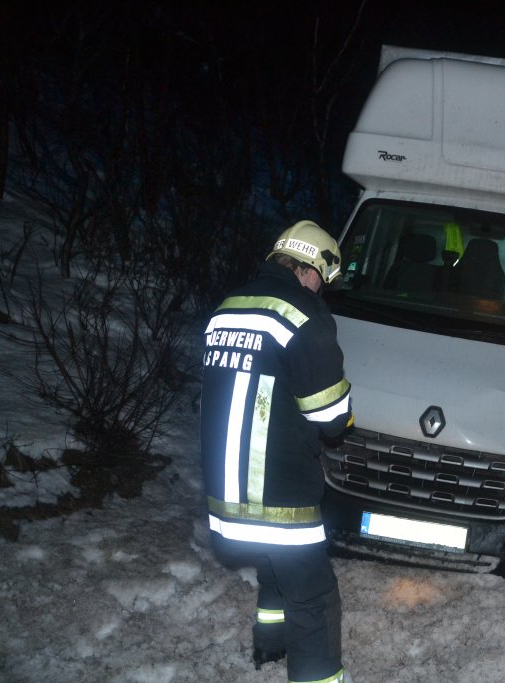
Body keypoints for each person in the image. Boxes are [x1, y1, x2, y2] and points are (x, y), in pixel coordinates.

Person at [201, 220, 354, 682]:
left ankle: (269, 648)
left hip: (224, 495)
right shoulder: (304, 314)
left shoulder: (227, 308)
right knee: (314, 597)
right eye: (323, 279)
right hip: (279, 493)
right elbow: (330, 416)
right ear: (312, 268)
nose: (321, 290)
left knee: (274, 569)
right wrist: (345, 415)